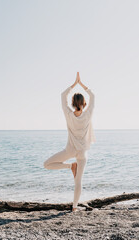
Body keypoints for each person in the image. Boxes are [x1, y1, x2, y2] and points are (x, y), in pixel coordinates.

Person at [43, 72, 95, 211]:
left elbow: (62, 96)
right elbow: (93, 96)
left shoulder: (68, 114)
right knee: (78, 181)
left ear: (72, 104)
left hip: (70, 150)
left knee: (47, 164)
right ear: (84, 103)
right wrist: (82, 84)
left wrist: (74, 84)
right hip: (82, 153)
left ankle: (69, 166)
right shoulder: (88, 114)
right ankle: (74, 207)